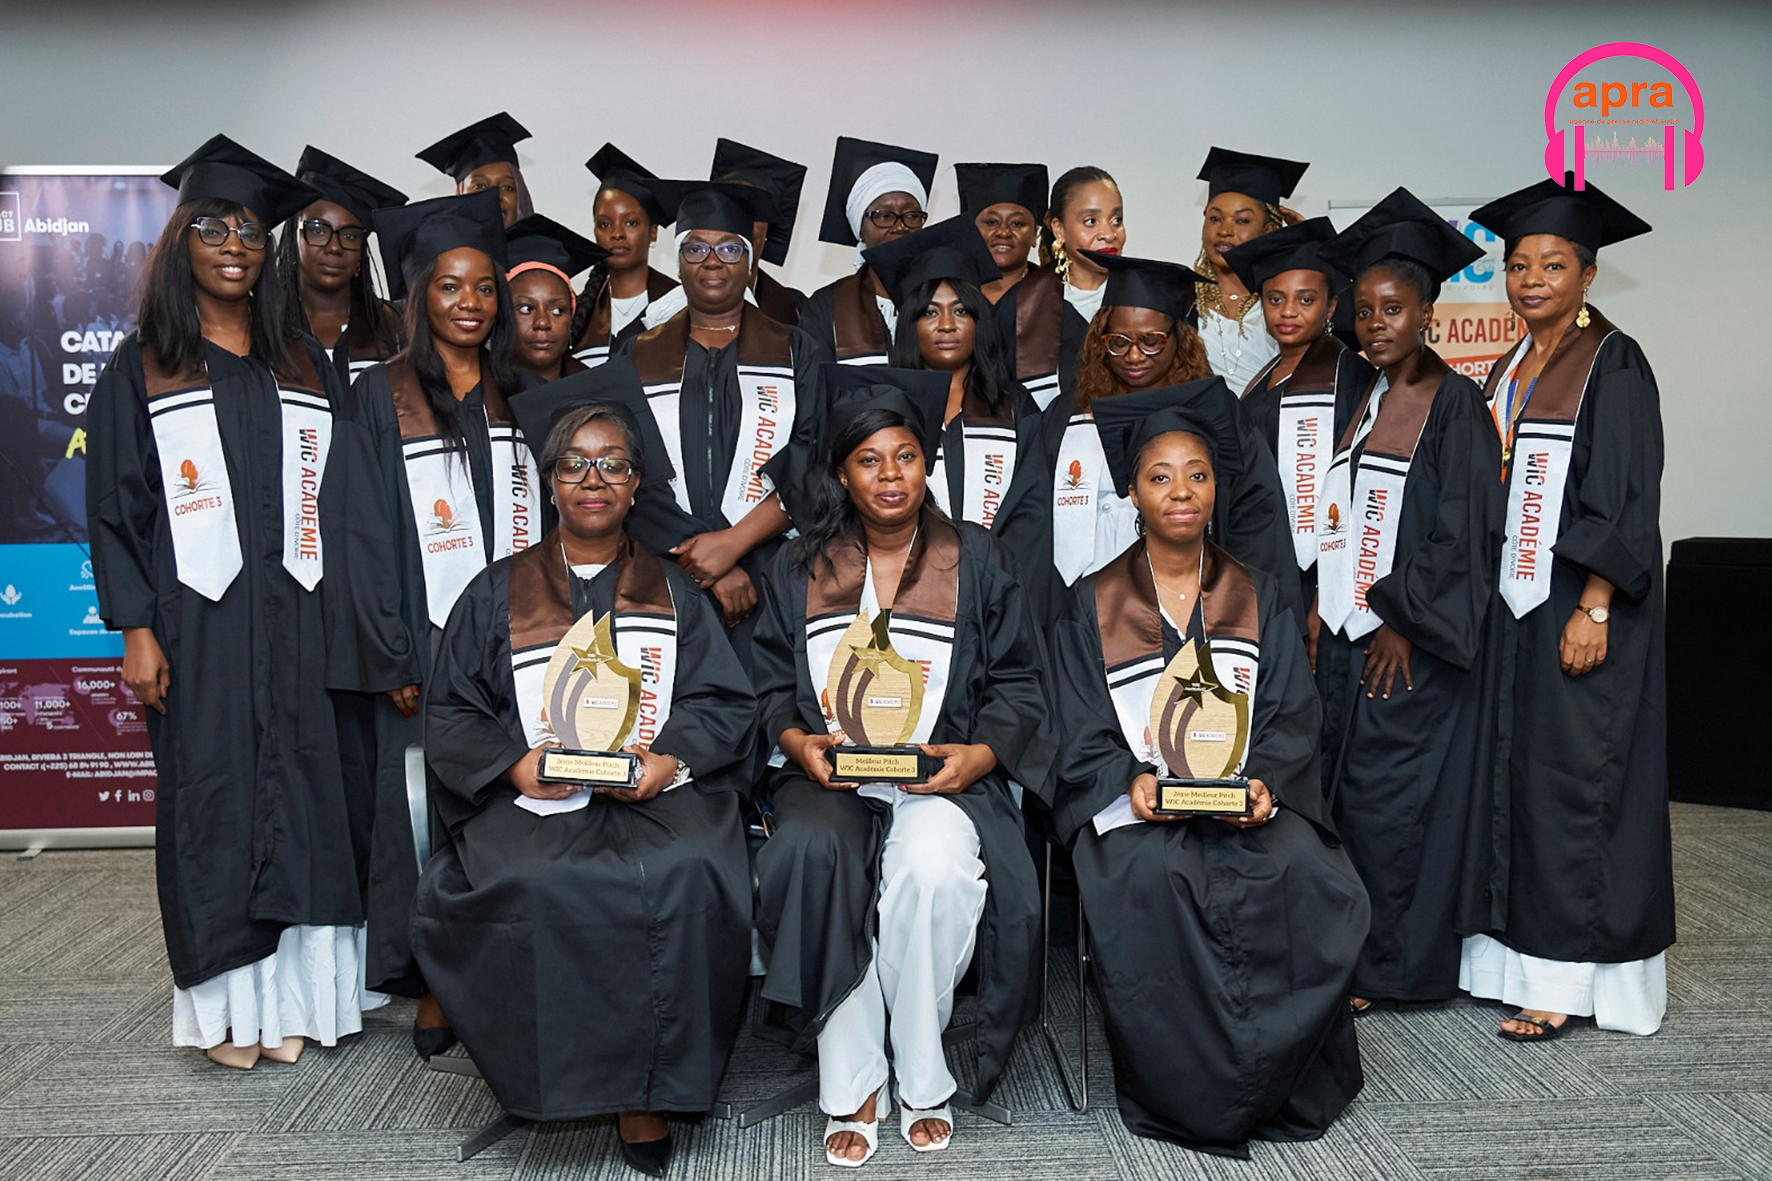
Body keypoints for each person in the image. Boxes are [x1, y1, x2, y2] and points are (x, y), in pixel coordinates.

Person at [86, 135, 381, 1069]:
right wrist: (136, 626)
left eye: (251, 228)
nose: (234, 242)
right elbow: (115, 510)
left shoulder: (303, 364)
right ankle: (226, 1013)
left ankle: (298, 1001)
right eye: (212, 225)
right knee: (213, 801)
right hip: (198, 627)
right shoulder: (141, 367)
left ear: (269, 250)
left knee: (310, 795)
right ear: (181, 243)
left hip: (303, 621)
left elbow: (347, 498)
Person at [413, 377, 756, 1178]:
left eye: (612, 465)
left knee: (688, 871)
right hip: (536, 798)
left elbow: (721, 701)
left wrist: (668, 759)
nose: (594, 480)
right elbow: (455, 710)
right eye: (575, 465)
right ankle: (558, 1080)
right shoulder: (495, 590)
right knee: (537, 879)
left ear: (637, 485)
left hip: (654, 794)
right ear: (550, 481)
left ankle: (647, 1089)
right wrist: (515, 765)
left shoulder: (676, 592)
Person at [1051, 384, 1369, 1154]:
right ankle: (1191, 1093)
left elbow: (1294, 712)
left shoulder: (1257, 594)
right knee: (1159, 879)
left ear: (1218, 486)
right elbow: (1074, 724)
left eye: (1197, 473)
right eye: (1160, 476)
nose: (1181, 491)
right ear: (1132, 490)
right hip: (1139, 812)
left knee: (1308, 871)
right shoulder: (1089, 603)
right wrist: (1125, 781)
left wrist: (1266, 782)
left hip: (1246, 800)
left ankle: (1283, 1081)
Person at [752, 365, 1055, 1167]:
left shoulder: (979, 559)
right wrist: (798, 744)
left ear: (929, 462)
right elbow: (764, 686)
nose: (891, 477)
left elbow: (1023, 680)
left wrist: (979, 754)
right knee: (817, 856)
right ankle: (853, 1080)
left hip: (938, 777)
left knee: (931, 867)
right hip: (831, 779)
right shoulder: (798, 566)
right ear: (842, 474)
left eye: (907, 456)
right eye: (869, 461)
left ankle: (922, 1070)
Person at [319, 189, 534, 1055]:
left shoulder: (526, 392)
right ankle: (431, 979)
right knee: (422, 812)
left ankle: (507, 958)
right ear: (421, 299)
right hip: (426, 633)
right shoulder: (381, 394)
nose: (471, 304)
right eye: (451, 287)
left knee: (514, 805)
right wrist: (393, 647)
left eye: (485, 288)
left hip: (520, 639)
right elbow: (359, 529)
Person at [1457, 176, 1672, 1040]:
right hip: (1516, 606)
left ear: (1588, 274)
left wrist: (1594, 604)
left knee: (1577, 784)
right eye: (1518, 265)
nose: (1532, 278)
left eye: (1552, 264)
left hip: (1579, 607)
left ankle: (1571, 979)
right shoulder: (1510, 366)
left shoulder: (1613, 363)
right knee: (1517, 778)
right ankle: (1516, 960)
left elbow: (1624, 499)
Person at [1314, 187, 1504, 1014]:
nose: (1376, 323)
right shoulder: (1370, 396)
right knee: (1354, 798)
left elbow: (1461, 533)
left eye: (1393, 308)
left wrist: (1400, 619)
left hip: (1406, 644)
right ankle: (1359, 955)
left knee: (1396, 807)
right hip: (1354, 633)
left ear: (1428, 309)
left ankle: (1396, 971)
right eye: (1363, 310)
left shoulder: (1454, 404)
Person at [613, 180, 830, 648]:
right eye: (695, 249)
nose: (712, 261)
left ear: (750, 261)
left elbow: (814, 458)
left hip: (774, 570)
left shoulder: (795, 351)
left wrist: (733, 545)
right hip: (665, 571)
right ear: (678, 260)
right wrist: (709, 561)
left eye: (730, 249)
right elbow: (627, 466)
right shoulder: (636, 354)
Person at [1041, 252, 1298, 625]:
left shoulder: (1214, 412)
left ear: (1180, 339)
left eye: (1151, 341)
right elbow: (1032, 523)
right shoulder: (1068, 414)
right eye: (1118, 341)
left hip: (1193, 606)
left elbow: (1256, 516)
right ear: (1101, 341)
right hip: (1077, 611)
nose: (1133, 355)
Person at [867, 214, 1050, 582]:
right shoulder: (881, 407)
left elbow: (1032, 513)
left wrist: (992, 583)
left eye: (962, 311)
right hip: (904, 589)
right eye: (930, 312)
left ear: (979, 321)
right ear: (909, 323)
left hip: (1001, 590)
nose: (947, 325)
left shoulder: (1014, 407)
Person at [1224, 217, 1375, 626]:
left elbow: (1361, 496)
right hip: (1265, 566)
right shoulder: (1261, 379)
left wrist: (1329, 590)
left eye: (1305, 300)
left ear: (1330, 306)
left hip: (1322, 578)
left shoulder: (1354, 380)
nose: (1288, 311)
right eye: (1275, 299)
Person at [800, 136, 939, 366]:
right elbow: (815, 388)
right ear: (860, 231)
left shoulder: (944, 299)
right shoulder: (827, 305)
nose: (900, 226)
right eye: (884, 216)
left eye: (912, 216)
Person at [283, 146, 406, 387]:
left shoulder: (396, 327)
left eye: (350, 235)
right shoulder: (261, 325)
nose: (334, 247)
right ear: (293, 238)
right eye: (318, 230)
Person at [1192, 148, 1307, 389]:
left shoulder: (1284, 306)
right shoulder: (1183, 302)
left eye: (1242, 220)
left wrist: (1309, 247)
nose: (1224, 230)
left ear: (1270, 231)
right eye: (1214, 218)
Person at [954, 163, 1061, 408]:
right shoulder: (950, 297)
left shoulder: (1056, 295)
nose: (1003, 232)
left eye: (1017, 224)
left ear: (1035, 235)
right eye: (991, 222)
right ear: (971, 232)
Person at [568, 144, 679, 367]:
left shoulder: (679, 304)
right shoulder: (577, 313)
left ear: (653, 231)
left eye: (631, 222)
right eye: (605, 224)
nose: (617, 233)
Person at [1040, 166, 1126, 402]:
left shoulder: (1144, 301)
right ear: (1059, 229)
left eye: (1117, 220)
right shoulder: (1026, 307)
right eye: (1091, 221)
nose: (1109, 234)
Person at [711, 137, 809, 325]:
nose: (740, 224)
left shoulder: (794, 310)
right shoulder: (672, 307)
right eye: (731, 210)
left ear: (768, 231)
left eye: (753, 212)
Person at [503, 213, 607, 383]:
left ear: (571, 315)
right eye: (526, 309)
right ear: (503, 314)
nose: (542, 323)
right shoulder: (480, 397)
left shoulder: (601, 392)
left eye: (557, 310)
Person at [415, 111, 534, 229]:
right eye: (479, 186)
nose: (495, 196)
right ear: (460, 192)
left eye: (507, 187)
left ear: (521, 195)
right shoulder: (437, 245)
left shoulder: (544, 246)